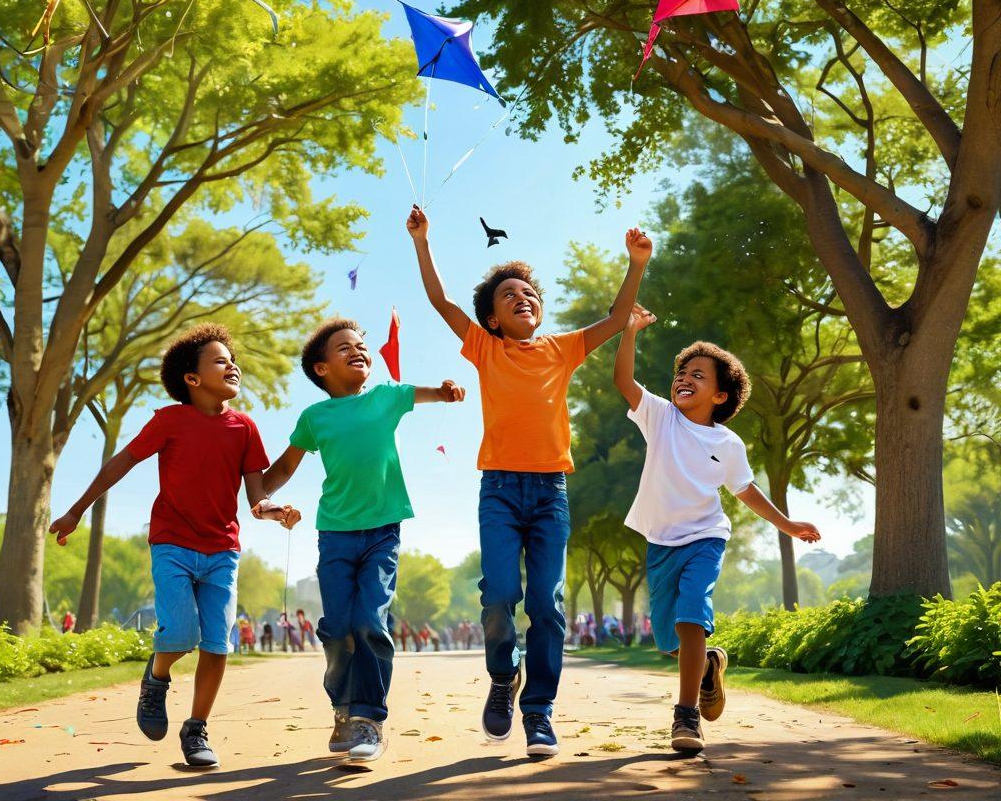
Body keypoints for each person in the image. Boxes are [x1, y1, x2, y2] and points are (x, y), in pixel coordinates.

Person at [407, 205, 651, 758]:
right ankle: (503, 677)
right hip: (498, 490)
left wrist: (636, 263)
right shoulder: (485, 348)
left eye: (528, 292)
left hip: (549, 494)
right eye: (508, 295)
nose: (522, 297)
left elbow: (618, 318)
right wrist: (423, 241)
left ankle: (538, 712)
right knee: (498, 595)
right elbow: (441, 302)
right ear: (492, 320)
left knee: (547, 603)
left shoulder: (562, 349)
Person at [49, 323, 300, 768]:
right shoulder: (169, 421)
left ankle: (196, 728)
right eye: (221, 361)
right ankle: (157, 677)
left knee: (218, 643)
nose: (233, 366)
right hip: (172, 543)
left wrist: (273, 510)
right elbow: (122, 462)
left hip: (223, 550)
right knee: (181, 634)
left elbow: (256, 497)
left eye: (233, 360)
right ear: (192, 378)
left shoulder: (244, 427)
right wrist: (76, 510)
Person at [614, 304, 821, 753]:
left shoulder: (728, 443)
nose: (684, 378)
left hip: (705, 538)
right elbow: (624, 382)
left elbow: (746, 491)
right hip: (661, 542)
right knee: (668, 639)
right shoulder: (660, 417)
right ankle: (708, 664)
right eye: (681, 372)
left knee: (692, 614)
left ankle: (686, 717)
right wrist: (629, 332)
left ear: (721, 396)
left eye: (698, 375)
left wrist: (786, 524)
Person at [261, 317, 465, 765]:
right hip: (334, 533)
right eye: (344, 347)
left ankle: (369, 718)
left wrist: (446, 391)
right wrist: (261, 498)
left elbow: (426, 393)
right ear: (321, 368)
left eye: (361, 346)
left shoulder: (386, 396)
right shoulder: (315, 417)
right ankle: (343, 706)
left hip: (383, 532)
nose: (358, 350)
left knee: (370, 621)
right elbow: (284, 467)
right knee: (337, 628)